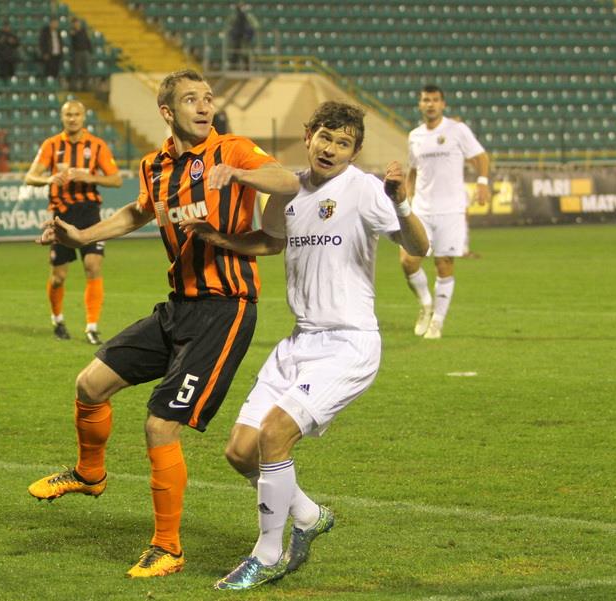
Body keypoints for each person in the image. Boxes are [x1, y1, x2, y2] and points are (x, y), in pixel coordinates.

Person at [26, 69, 300, 579]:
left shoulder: (232, 150)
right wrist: (82, 236)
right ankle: (89, 473)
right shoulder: (155, 166)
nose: (205, 106)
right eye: (192, 99)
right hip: (178, 307)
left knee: (159, 424)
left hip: (225, 309)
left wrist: (239, 176)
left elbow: (288, 181)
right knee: (90, 384)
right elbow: (137, 212)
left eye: (208, 98)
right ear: (168, 112)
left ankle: (168, 547)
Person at [180, 101, 429, 590]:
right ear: (308, 135)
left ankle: (269, 554)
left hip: (348, 343)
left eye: (343, 143)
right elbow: (272, 241)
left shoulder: (364, 190)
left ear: (354, 151)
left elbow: (418, 247)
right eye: (325, 138)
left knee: (274, 434)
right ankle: (311, 516)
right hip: (299, 342)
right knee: (240, 452)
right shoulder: (288, 192)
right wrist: (220, 239)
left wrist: (400, 202)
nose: (331, 149)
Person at [24, 100, 122, 344]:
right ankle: (57, 319)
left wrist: (89, 177)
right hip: (62, 215)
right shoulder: (51, 145)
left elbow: (116, 179)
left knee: (93, 265)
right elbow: (30, 177)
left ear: (83, 116)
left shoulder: (97, 145)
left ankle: (92, 327)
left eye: (76, 114)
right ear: (62, 117)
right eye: (68, 114)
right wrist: (49, 180)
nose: (72, 118)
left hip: (89, 213)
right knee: (58, 276)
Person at [400, 84, 489, 340]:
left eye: (435, 100)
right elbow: (413, 170)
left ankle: (437, 321)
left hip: (451, 210)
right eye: (426, 100)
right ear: (420, 104)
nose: (430, 104)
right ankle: (426, 304)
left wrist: (483, 182)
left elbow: (481, 157)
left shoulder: (457, 130)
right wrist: (406, 199)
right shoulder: (415, 136)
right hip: (421, 209)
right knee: (408, 261)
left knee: (444, 263)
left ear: (443, 104)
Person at [227, 3, 260, 70]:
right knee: (235, 52)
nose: (241, 9)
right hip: (236, 38)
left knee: (246, 53)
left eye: (242, 7)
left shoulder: (249, 16)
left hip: (246, 38)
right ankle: (233, 67)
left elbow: (256, 25)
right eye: (239, 7)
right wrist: (232, 31)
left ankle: (248, 68)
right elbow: (228, 26)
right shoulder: (234, 16)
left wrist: (249, 31)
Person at [70, 18, 92, 91]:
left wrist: (89, 50)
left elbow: (88, 40)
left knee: (86, 70)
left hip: (85, 51)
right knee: (75, 70)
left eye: (77, 22)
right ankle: (74, 86)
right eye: (75, 23)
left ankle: (85, 86)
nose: (76, 24)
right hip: (77, 52)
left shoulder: (83, 31)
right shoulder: (72, 31)